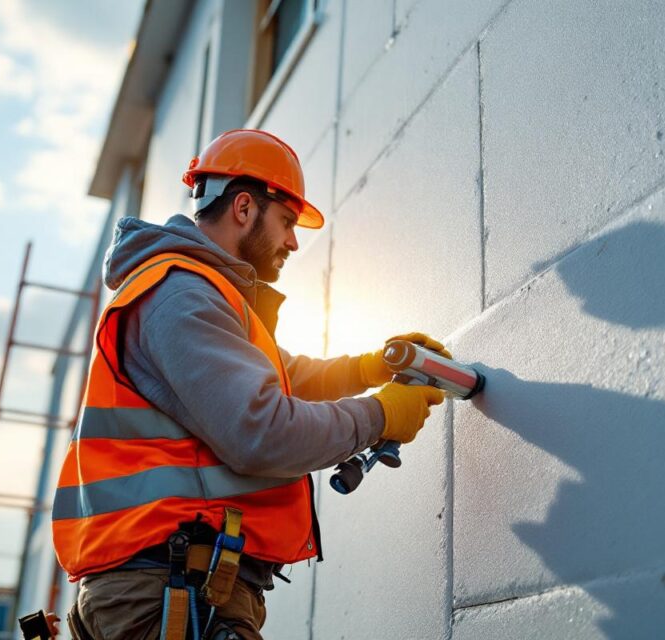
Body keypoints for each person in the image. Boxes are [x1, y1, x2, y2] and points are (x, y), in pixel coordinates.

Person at [52, 129, 448, 639]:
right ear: (243, 207)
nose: (292, 241)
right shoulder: (182, 296)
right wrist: (379, 416)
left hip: (171, 587)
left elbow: (287, 376)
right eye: (286, 220)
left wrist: (371, 367)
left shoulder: (201, 294)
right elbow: (261, 431)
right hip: (166, 592)